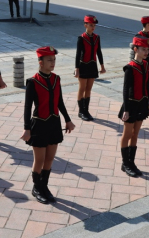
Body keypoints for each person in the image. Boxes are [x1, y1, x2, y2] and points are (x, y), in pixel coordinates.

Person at [21, 46, 75, 204]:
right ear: (40, 62)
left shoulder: (56, 79)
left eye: (54, 60)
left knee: (50, 158)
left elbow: (60, 101)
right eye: (49, 60)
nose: (53, 63)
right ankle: (37, 187)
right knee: (39, 160)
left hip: (54, 123)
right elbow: (27, 107)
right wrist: (27, 128)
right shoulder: (32, 82)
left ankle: (44, 186)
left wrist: (68, 119)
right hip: (39, 124)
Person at [118, 36, 149, 178]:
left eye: (147, 49)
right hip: (131, 105)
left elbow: (147, 85)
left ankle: (131, 162)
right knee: (127, 134)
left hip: (142, 104)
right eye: (143, 49)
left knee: (135, 134)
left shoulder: (145, 65)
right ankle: (125, 163)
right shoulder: (130, 68)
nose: (146, 52)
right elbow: (126, 90)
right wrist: (126, 110)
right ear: (135, 49)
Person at [74, 15, 105, 121]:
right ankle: (80, 111)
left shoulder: (97, 37)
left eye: (94, 25)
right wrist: (76, 68)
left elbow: (99, 52)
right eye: (91, 25)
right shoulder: (81, 38)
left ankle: (86, 110)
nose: (93, 27)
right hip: (83, 65)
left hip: (92, 65)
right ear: (85, 25)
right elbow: (78, 54)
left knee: (89, 89)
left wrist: (102, 66)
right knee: (82, 88)